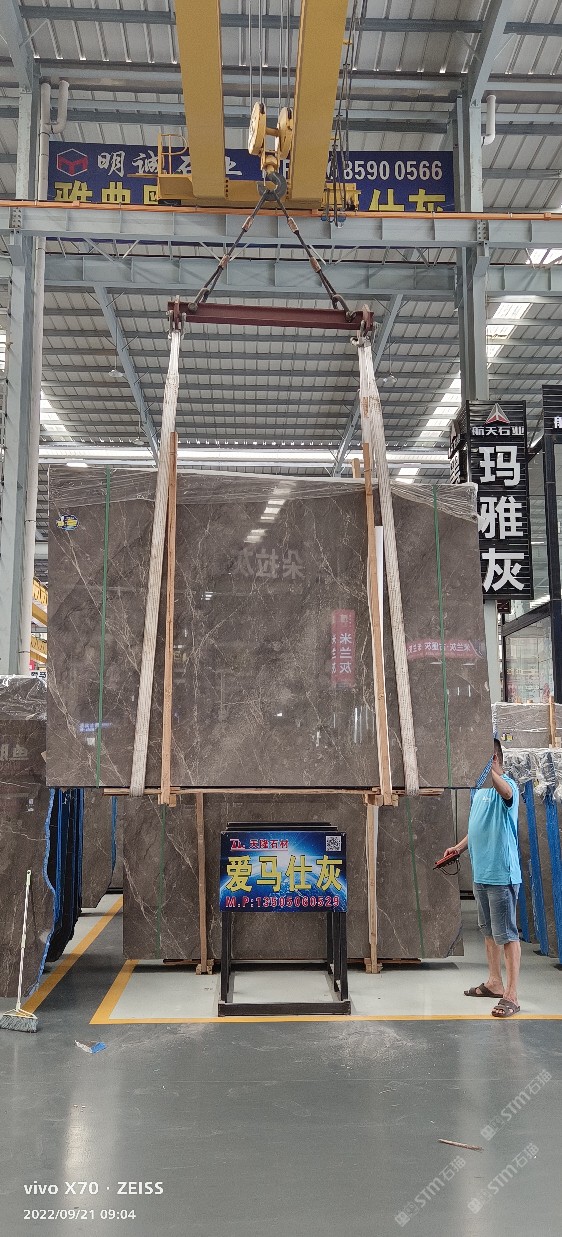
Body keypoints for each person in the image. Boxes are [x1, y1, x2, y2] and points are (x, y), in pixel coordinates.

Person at [442, 739, 521, 1018]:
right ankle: (494, 982)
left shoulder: (507, 786)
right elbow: (477, 827)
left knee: (507, 934)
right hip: (482, 872)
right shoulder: (479, 791)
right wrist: (459, 847)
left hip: (502, 874)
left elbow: (506, 793)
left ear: (494, 759)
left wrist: (489, 770)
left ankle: (512, 995)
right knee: (488, 932)